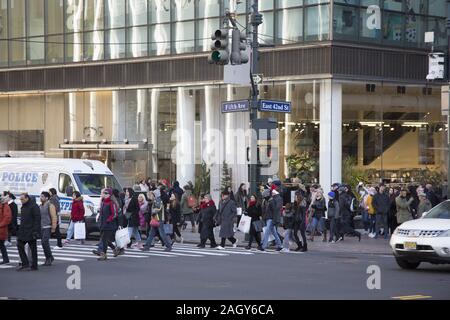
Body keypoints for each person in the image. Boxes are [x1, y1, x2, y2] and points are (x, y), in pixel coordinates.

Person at [16, 193, 41, 271]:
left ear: (27, 198)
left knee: (33, 249)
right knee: (19, 245)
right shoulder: (24, 206)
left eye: (22, 199)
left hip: (31, 231)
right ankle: (25, 263)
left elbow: (37, 219)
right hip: (23, 231)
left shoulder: (34, 206)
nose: (21, 201)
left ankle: (34, 265)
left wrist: (35, 231)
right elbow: (23, 219)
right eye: (20, 199)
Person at [97, 189, 119, 261]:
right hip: (102, 223)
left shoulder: (111, 203)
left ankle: (104, 254)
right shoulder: (103, 202)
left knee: (104, 239)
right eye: (104, 193)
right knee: (104, 239)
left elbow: (114, 214)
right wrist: (99, 218)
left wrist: (108, 220)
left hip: (109, 224)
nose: (104, 194)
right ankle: (114, 248)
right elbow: (101, 212)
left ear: (109, 195)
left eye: (106, 193)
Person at [39, 192, 57, 266]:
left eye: (42, 196)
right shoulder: (40, 205)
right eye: (40, 196)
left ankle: (48, 258)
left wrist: (53, 227)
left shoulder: (50, 205)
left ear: (47, 198)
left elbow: (54, 216)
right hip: (41, 227)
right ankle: (50, 257)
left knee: (44, 242)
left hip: (48, 226)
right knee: (44, 243)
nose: (41, 198)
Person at [0, 195, 12, 265]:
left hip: (2, 229)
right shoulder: (2, 206)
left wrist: (0, 225)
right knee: (1, 245)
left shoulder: (5, 206)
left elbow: (7, 218)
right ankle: (6, 259)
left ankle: (6, 259)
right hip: (2, 228)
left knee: (1, 244)